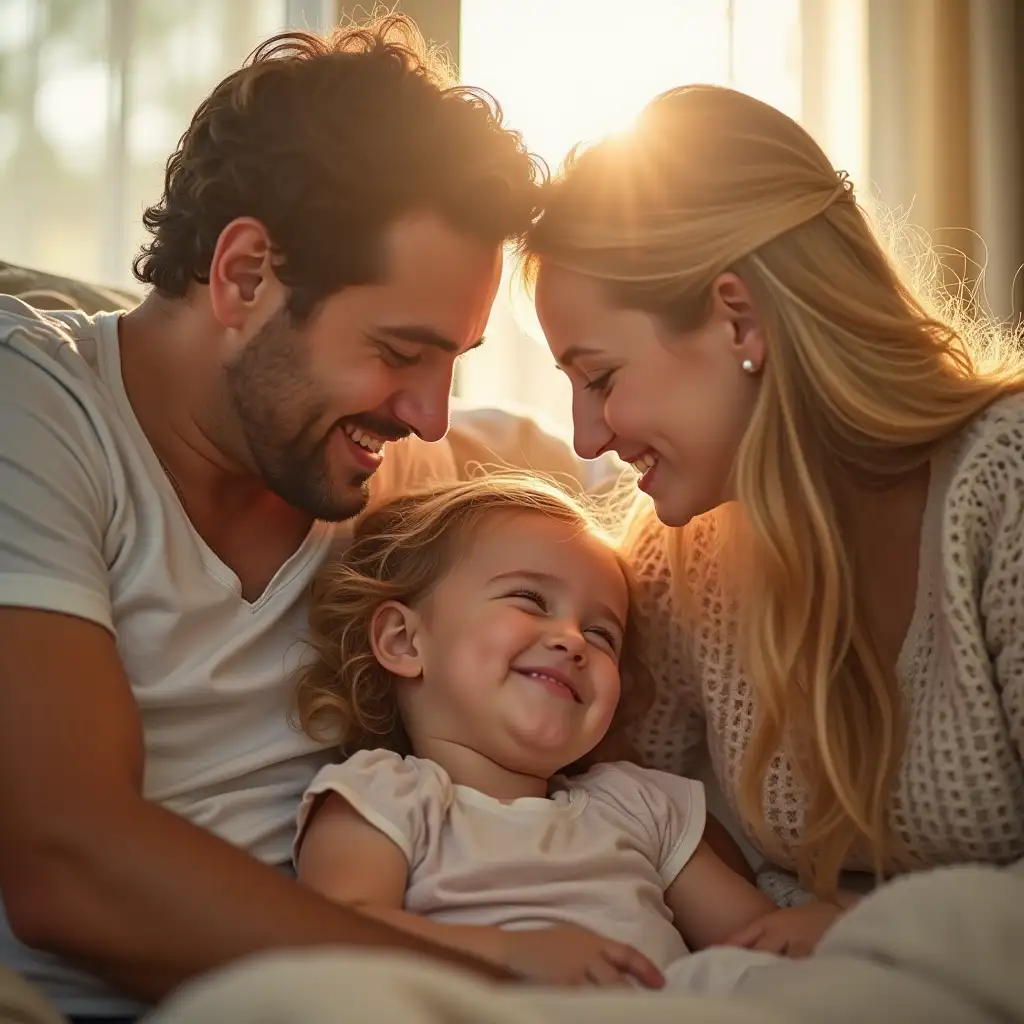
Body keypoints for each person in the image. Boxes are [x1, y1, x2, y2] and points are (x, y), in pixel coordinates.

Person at [0, 14, 585, 1022]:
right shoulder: (39, 413)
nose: (427, 412)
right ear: (243, 275)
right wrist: (478, 980)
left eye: (454, 359)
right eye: (401, 350)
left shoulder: (405, 474)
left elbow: (645, 482)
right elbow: (66, 862)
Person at [521, 84, 1024, 952]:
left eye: (599, 377)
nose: (586, 433)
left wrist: (863, 930)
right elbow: (618, 802)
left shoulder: (1002, 492)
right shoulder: (681, 560)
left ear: (738, 317)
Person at [291, 475, 784, 991]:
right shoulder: (384, 795)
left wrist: (812, 931)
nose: (574, 642)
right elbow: (333, 936)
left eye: (601, 635)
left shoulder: (637, 806)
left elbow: (757, 943)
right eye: (529, 600)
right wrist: (511, 954)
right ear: (404, 640)